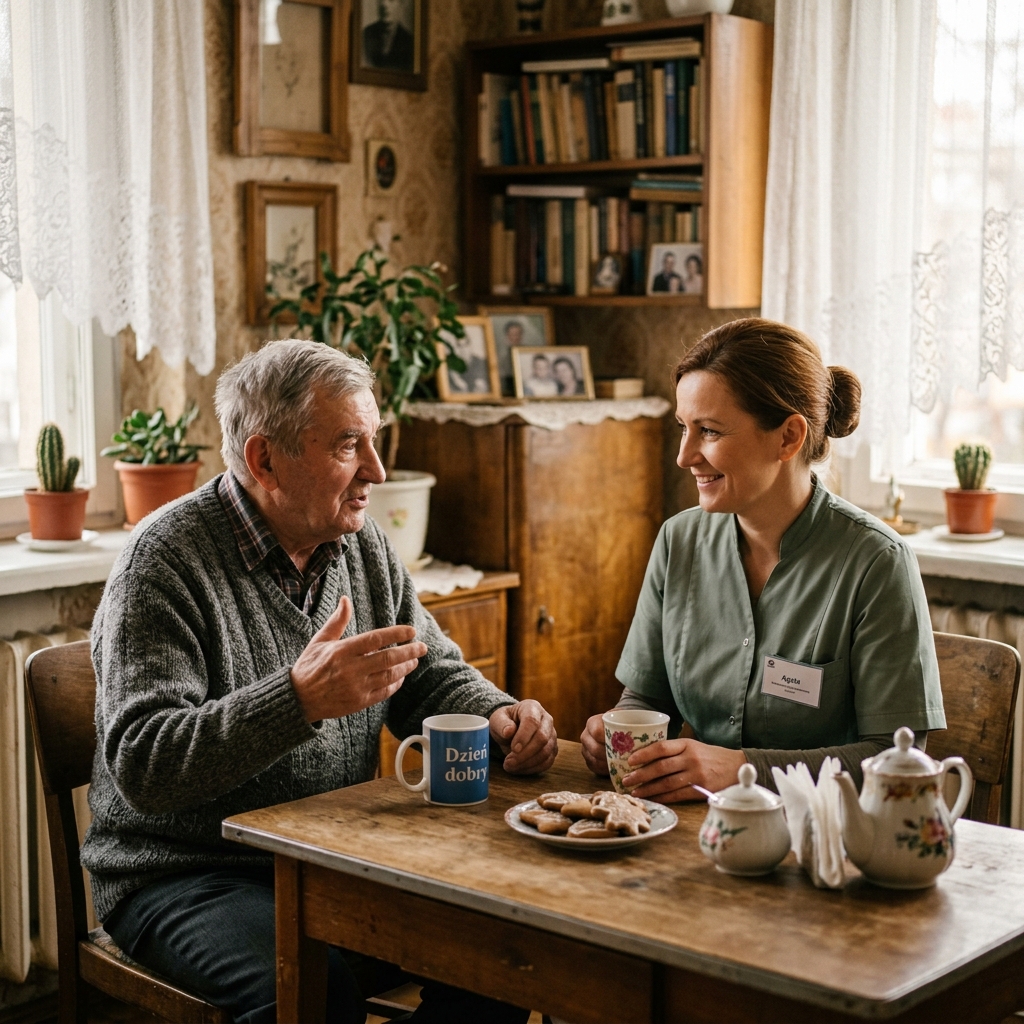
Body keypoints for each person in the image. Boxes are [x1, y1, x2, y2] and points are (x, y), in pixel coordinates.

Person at [82, 340, 557, 1023]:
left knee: (502, 951)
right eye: (347, 445)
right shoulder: (163, 562)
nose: (376, 469)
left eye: (374, 440)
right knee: (311, 991)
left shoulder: (359, 543)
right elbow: (145, 763)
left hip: (327, 857)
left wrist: (498, 714)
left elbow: (427, 671)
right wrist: (297, 700)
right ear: (263, 458)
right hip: (185, 873)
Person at [581, 318, 945, 802]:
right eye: (683, 429)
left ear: (789, 437)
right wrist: (618, 730)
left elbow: (895, 759)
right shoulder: (678, 541)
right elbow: (649, 698)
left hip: (825, 845)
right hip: (696, 832)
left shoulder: (876, 562)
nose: (685, 456)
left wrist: (742, 770)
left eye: (708, 431)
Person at [362, 0, 415, 72]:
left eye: (391, 0)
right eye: (381, 0)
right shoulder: (365, 34)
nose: (384, 5)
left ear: (400, 5)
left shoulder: (409, 41)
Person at [447, 329, 491, 394]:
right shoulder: (453, 365)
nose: (463, 350)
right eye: (460, 346)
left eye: (465, 345)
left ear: (470, 346)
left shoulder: (481, 362)